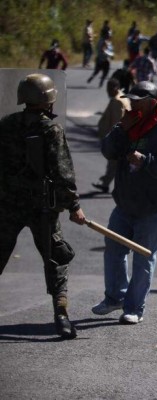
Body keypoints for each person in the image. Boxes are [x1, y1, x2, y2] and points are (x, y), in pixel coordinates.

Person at [0, 73, 86, 339]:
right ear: (49, 100)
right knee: (55, 259)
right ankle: (61, 316)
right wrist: (74, 206)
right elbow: (63, 173)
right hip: (42, 207)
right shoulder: (51, 129)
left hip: (7, 205)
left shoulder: (6, 124)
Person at [92, 81, 157, 324]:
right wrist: (121, 128)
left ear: (152, 103)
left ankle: (134, 308)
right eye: (130, 99)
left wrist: (146, 160)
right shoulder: (128, 122)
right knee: (113, 251)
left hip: (153, 206)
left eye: (137, 100)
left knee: (143, 257)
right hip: (124, 203)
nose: (131, 103)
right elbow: (108, 151)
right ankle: (115, 298)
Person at [92, 79, 131, 194]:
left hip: (116, 138)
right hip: (122, 138)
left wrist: (112, 139)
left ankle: (107, 184)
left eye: (109, 88)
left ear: (115, 88)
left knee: (115, 163)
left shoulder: (116, 101)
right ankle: (105, 183)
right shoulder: (122, 96)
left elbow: (116, 122)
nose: (107, 91)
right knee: (115, 163)